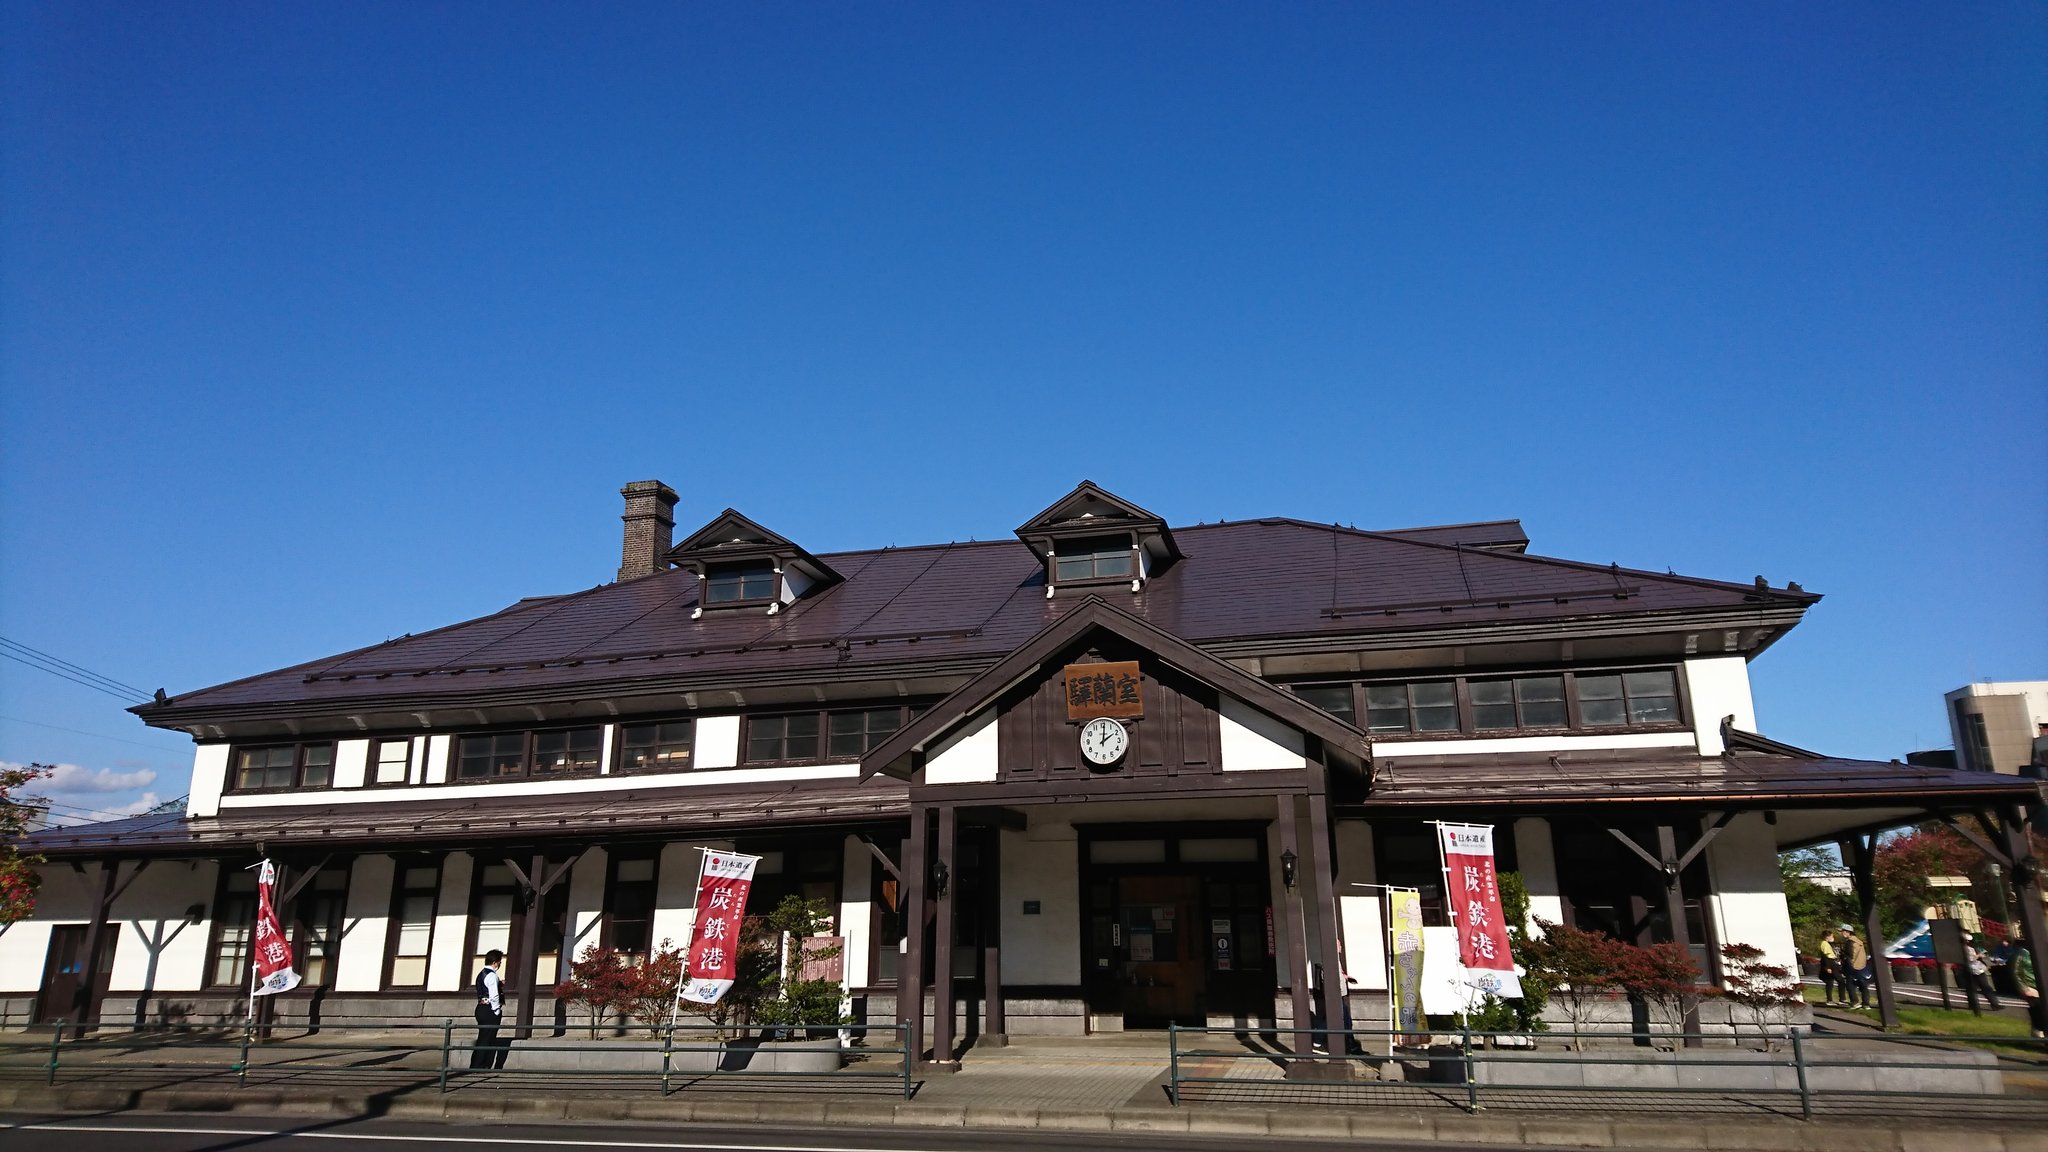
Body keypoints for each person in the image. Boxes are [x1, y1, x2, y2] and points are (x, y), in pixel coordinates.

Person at [471, 948, 509, 1070]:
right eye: (499, 962)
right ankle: (479, 1065)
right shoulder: (492, 975)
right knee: (487, 1038)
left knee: (483, 1037)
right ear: (495, 962)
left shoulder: (481, 974)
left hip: (480, 1007)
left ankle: (478, 1064)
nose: (500, 964)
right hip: (489, 1010)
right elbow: (494, 995)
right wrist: (496, 1010)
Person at [2010, 932, 2045, 1039]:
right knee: (2037, 1010)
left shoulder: (2037, 952)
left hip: (2040, 985)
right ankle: (2038, 1031)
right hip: (2030, 987)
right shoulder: (2020, 954)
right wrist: (2023, 988)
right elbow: (2014, 972)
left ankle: (2038, 1031)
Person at [1961, 931, 2002, 1011]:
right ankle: (1976, 1005)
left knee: (1982, 987)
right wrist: (1979, 955)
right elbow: (1970, 958)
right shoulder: (1964, 949)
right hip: (1972, 969)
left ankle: (1994, 1004)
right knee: (1976, 988)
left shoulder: (1970, 948)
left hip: (1977, 969)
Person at [1838, 925, 1873, 1010]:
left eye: (1842, 931)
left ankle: (1855, 1002)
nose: (1841, 933)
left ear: (1847, 932)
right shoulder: (1859, 942)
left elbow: (1849, 956)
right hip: (1862, 965)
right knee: (1863, 985)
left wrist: (1843, 957)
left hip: (1852, 967)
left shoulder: (1850, 942)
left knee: (1850, 985)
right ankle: (1866, 1004)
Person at [1816, 931, 1841, 1006]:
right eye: (1832, 936)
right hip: (1830, 964)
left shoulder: (1827, 944)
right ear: (1827, 937)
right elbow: (1826, 956)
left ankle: (1830, 999)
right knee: (1839, 981)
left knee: (1830, 982)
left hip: (1831, 963)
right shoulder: (1825, 944)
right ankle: (1838, 999)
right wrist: (1827, 967)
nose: (1833, 938)